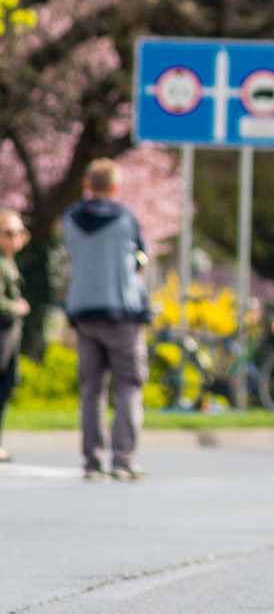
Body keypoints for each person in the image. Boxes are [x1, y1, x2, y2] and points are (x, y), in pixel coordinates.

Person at [64, 159, 154, 481]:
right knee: (129, 385)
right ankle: (122, 458)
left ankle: (92, 460)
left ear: (87, 184)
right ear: (115, 188)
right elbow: (140, 260)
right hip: (121, 313)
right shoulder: (126, 218)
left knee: (91, 388)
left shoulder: (70, 219)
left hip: (84, 312)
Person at [0, 209, 30, 463]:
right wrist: (16, 307)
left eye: (19, 232)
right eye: (8, 233)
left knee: (5, 386)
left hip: (8, 335)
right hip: (2, 333)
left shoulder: (9, 262)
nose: (15, 238)